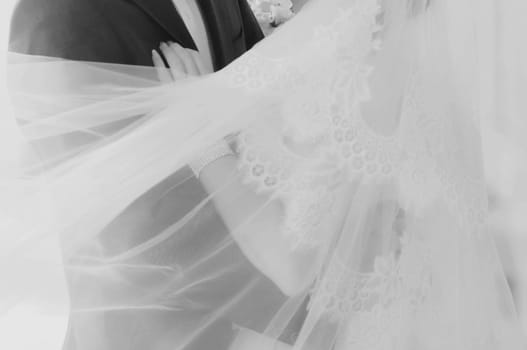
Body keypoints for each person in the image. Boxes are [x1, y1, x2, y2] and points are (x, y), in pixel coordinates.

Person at [2, 0, 526, 349]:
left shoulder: (362, 72)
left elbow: (295, 257)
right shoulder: (60, 14)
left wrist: (202, 134)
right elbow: (120, 228)